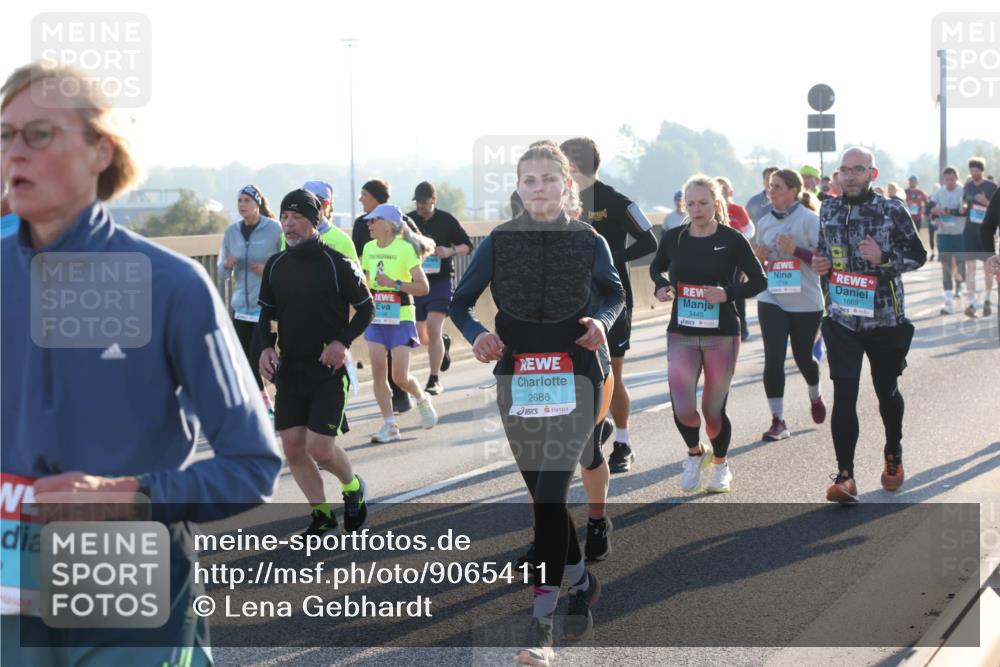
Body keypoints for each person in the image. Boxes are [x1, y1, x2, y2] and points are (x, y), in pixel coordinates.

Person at [1, 61, 281, 666]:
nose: (15, 152)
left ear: (101, 150)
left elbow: (253, 465)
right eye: (5, 135)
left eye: (39, 134)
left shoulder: (170, 284)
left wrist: (128, 495)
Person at [451, 144, 624, 664]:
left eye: (550, 179)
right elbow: (460, 301)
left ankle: (541, 625)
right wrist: (478, 333)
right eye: (530, 180)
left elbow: (615, 294)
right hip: (518, 377)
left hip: (577, 373)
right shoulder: (500, 241)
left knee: (550, 493)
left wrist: (601, 323)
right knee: (542, 495)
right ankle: (580, 579)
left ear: (567, 186)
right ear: (518, 188)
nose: (540, 188)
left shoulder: (588, 239)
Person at [258, 189, 374, 536]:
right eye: (284, 217)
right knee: (293, 447)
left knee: (319, 448)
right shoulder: (276, 265)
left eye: (296, 217)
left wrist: (342, 341)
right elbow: (265, 314)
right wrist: (266, 348)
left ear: (315, 221)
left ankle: (353, 487)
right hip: (290, 368)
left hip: (328, 368)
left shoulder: (336, 263)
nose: (288, 224)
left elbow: (366, 308)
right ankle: (321, 514)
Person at [812, 147, 926, 504]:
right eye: (844, 170)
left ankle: (893, 451)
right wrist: (820, 265)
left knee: (885, 391)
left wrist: (884, 258)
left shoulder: (892, 210)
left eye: (857, 170)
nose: (849, 176)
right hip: (842, 318)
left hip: (884, 320)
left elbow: (919, 256)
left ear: (872, 175)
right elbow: (823, 252)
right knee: (844, 395)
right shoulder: (828, 208)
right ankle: (845, 477)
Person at [649, 175, 767, 494]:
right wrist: (662, 286)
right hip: (682, 332)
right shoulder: (674, 238)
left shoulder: (732, 239)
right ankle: (695, 454)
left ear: (716, 205)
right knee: (682, 405)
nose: (696, 209)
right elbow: (655, 268)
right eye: (690, 204)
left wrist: (727, 293)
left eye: (703, 203)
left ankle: (721, 465)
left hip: (722, 334)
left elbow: (759, 281)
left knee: (713, 410)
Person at [561, 136, 657, 475]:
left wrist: (612, 257)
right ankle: (595, 425)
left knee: (612, 375)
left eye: (561, 160)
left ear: (574, 164)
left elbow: (649, 240)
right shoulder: (558, 203)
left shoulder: (616, 201)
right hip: (570, 302)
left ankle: (623, 442)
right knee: (575, 375)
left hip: (611, 301)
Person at [753, 169, 826, 440]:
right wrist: (759, 258)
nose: (771, 192)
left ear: (794, 190)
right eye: (770, 187)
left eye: (778, 187)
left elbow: (825, 262)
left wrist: (798, 251)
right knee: (773, 358)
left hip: (805, 299)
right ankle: (778, 420)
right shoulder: (764, 222)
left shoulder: (810, 220)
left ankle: (815, 395)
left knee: (803, 358)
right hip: (772, 295)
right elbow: (761, 262)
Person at [361, 203, 439, 442]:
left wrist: (394, 283)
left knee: (400, 377)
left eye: (373, 221)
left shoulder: (405, 250)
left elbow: (423, 287)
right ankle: (390, 425)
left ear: (387, 223)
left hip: (401, 316)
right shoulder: (368, 248)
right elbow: (365, 280)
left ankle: (421, 398)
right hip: (377, 317)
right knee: (377, 374)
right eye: (369, 221)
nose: (369, 225)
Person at [351, 178, 416, 414]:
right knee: (378, 363)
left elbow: (420, 248)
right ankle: (389, 421)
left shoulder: (402, 222)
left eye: (364, 195)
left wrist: (398, 277)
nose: (360, 199)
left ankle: (405, 393)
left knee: (399, 371)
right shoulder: (360, 226)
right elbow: (358, 260)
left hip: (401, 304)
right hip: (376, 303)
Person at [218, 184, 283, 418]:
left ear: (257, 203)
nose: (242, 205)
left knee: (259, 357)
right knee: (244, 361)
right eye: (239, 200)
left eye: (247, 200)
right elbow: (221, 272)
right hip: (240, 307)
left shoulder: (274, 230)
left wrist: (268, 269)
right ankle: (265, 405)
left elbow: (286, 263)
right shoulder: (231, 232)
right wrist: (226, 266)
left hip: (263, 307)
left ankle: (289, 391)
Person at [407, 181, 473, 395]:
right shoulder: (408, 221)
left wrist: (449, 250)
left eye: (424, 203)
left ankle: (434, 379)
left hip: (441, 282)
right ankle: (442, 344)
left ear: (433, 200)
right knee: (423, 336)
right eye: (417, 203)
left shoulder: (447, 220)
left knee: (433, 328)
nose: (420, 207)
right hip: (417, 284)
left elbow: (467, 246)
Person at [718, 176, 755, 341]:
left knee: (736, 287)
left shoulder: (737, 209)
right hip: (717, 255)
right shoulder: (711, 209)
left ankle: (742, 326)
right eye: (718, 188)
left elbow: (750, 228)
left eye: (724, 188)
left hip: (737, 256)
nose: (722, 191)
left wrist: (739, 242)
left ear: (730, 191)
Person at [961, 157, 998, 318]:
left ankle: (988, 300)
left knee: (987, 270)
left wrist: (985, 201)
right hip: (970, 231)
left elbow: (996, 210)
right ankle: (971, 304)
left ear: (982, 170)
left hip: (986, 235)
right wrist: (962, 208)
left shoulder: (992, 187)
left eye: (977, 170)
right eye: (972, 170)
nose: (974, 172)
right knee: (970, 269)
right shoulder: (967, 187)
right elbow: (964, 205)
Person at [929, 167, 967, 314]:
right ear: (943, 179)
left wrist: (950, 211)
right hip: (943, 234)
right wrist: (934, 214)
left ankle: (959, 284)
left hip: (960, 233)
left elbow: (965, 211)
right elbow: (929, 209)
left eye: (952, 179)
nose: (950, 182)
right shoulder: (939, 192)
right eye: (947, 179)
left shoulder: (963, 191)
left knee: (959, 264)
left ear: (957, 178)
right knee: (946, 267)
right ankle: (949, 302)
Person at [297, 180, 359, 263]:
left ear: (325, 204)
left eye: (310, 200)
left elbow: (356, 275)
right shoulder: (289, 235)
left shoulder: (343, 240)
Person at [904, 175, 931, 259]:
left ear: (917, 182)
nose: (912, 182)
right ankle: (907, 253)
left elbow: (927, 203)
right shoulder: (904, 192)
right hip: (907, 218)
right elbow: (899, 202)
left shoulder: (920, 192)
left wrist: (926, 212)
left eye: (914, 181)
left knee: (917, 235)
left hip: (918, 218)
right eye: (911, 181)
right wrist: (906, 204)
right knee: (907, 235)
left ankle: (917, 254)